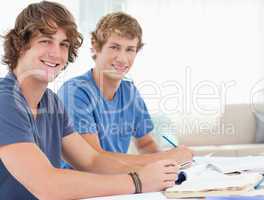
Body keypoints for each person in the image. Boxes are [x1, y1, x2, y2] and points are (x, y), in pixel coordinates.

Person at [0, 1, 179, 199]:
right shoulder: (5, 101)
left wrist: (159, 168)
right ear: (20, 45)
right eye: (45, 41)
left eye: (63, 44)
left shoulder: (51, 103)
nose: (56, 53)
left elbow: (92, 160)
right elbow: (47, 185)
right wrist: (137, 181)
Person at [58, 12, 193, 168]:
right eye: (115, 47)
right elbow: (94, 160)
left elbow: (145, 144)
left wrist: (169, 164)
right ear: (95, 47)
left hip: (116, 182)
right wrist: (169, 157)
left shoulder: (130, 92)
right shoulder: (75, 92)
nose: (122, 58)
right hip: (83, 185)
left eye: (130, 49)